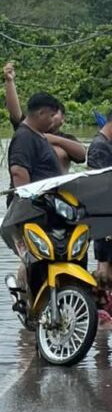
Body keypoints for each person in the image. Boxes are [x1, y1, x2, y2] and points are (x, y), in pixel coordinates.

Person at [3, 62, 85, 171]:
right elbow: (14, 112)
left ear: (62, 119)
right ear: (40, 114)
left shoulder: (67, 139)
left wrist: (54, 140)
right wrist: (9, 81)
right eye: (49, 114)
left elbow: (82, 155)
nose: (51, 117)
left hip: (59, 187)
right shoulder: (28, 131)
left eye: (54, 114)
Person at [8, 92, 64, 189]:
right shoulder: (24, 137)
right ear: (41, 113)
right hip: (33, 203)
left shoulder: (38, 135)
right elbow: (18, 172)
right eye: (51, 116)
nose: (53, 120)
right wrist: (26, 200)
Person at [87, 111, 112, 285]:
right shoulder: (99, 147)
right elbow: (100, 185)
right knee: (104, 269)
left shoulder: (106, 145)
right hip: (104, 216)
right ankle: (103, 306)